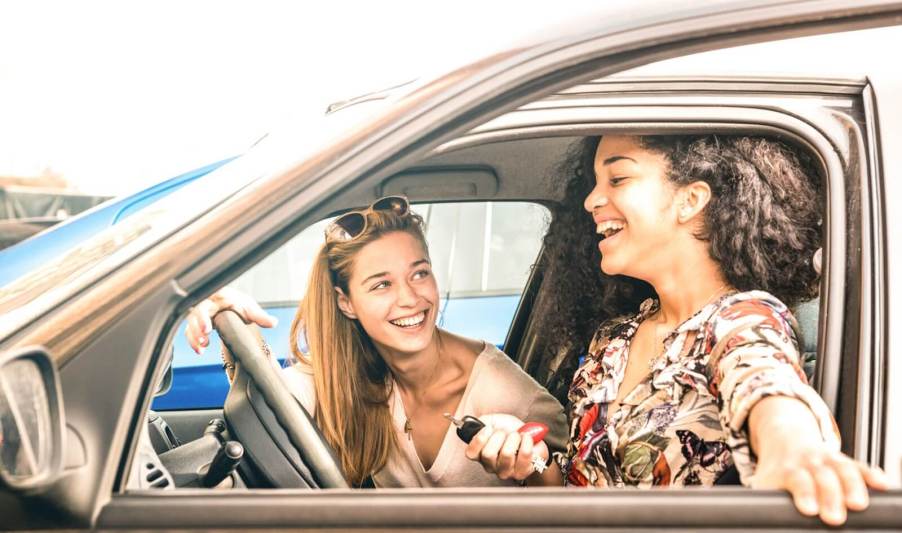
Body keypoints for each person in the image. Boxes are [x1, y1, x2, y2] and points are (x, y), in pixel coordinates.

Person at [465, 135, 889, 525]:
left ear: (691, 200)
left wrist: (795, 452)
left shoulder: (740, 320)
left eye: (618, 178)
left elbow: (764, 382)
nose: (593, 199)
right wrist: (531, 459)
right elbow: (581, 490)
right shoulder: (612, 341)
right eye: (596, 183)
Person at [186, 196, 567, 488]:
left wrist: (534, 463)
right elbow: (275, 401)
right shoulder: (355, 375)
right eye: (382, 284)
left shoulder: (510, 394)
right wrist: (227, 313)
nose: (410, 298)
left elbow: (573, 497)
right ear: (346, 302)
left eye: (420, 274)